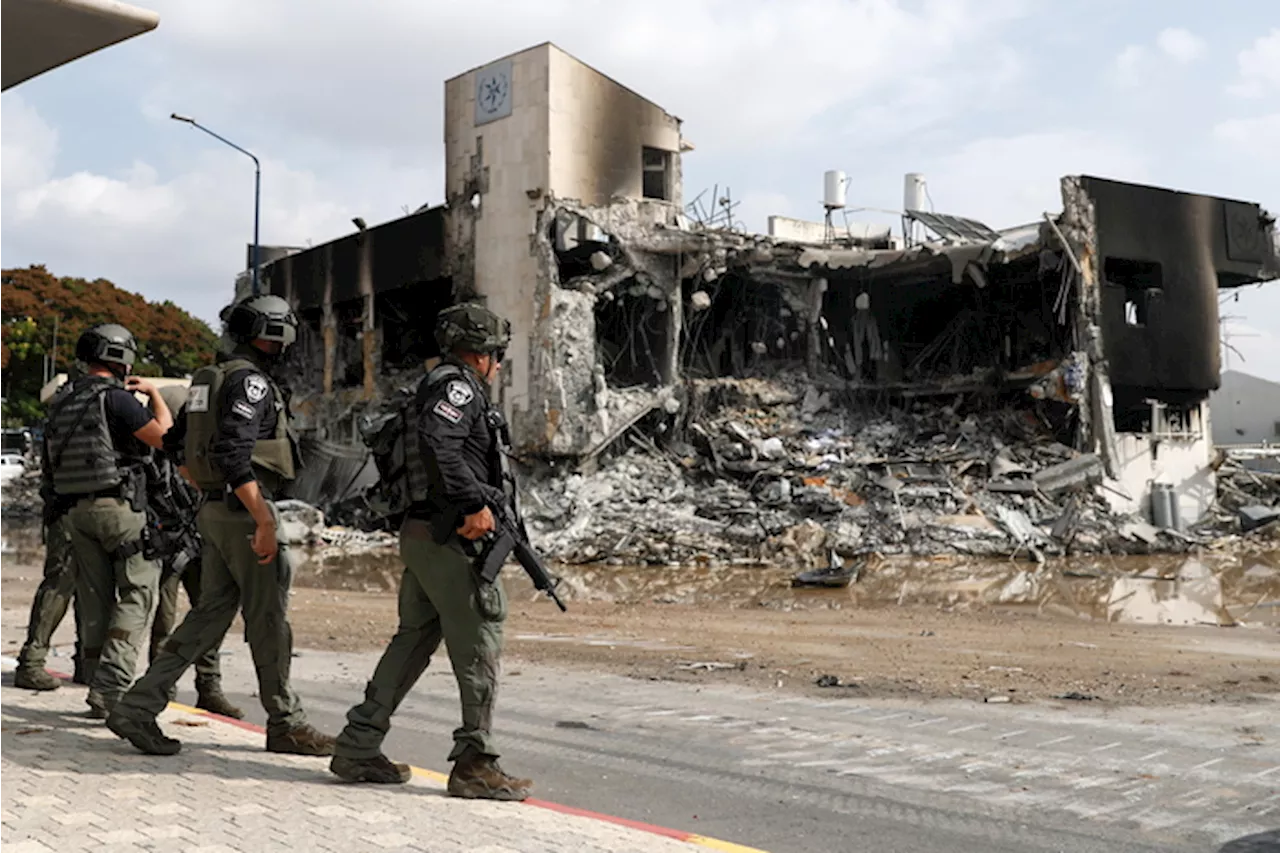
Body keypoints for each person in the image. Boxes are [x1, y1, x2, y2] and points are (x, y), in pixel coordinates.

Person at [107, 294, 333, 757]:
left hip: (214, 510)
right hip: (244, 511)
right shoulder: (250, 383)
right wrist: (262, 519)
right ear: (273, 334)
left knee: (209, 615)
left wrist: (206, 484)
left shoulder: (207, 380)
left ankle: (138, 705)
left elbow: (173, 443)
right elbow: (233, 453)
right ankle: (286, 723)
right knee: (269, 620)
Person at [329, 302, 531, 801]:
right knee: (480, 640)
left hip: (424, 533)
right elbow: (441, 445)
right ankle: (474, 763)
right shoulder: (457, 387)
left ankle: (358, 743)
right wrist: (471, 504)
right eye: (496, 354)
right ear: (480, 353)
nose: (499, 364)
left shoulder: (435, 385)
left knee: (414, 640)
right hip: (449, 536)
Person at [42, 324, 172, 717]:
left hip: (74, 513)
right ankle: (113, 688)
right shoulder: (116, 399)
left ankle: (97, 684)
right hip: (119, 510)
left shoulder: (63, 400)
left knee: (95, 601)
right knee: (136, 595)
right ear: (121, 358)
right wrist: (154, 395)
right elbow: (164, 436)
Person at [144, 383, 242, 719]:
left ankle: (209, 688)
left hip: (200, 544)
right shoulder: (153, 451)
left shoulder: (204, 451)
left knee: (210, 616)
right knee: (164, 621)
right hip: (168, 546)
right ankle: (160, 690)